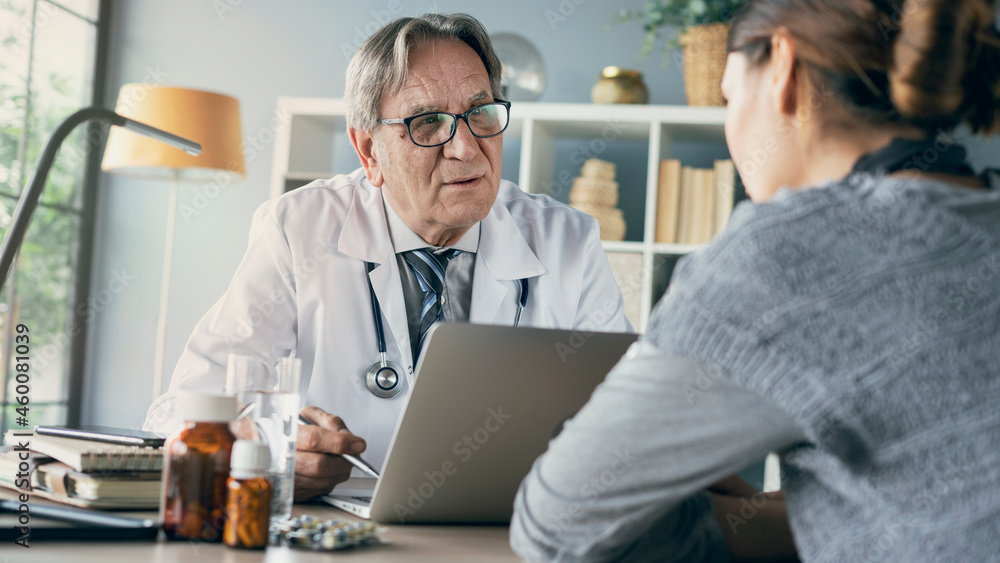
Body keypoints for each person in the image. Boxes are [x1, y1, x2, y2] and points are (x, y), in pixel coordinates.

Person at [511, 0, 1000, 561]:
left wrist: (693, 506)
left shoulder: (789, 248)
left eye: (727, 96)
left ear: (783, 68)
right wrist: (791, 508)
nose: (729, 127)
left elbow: (555, 525)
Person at [144, 13, 630, 501]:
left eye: (480, 111)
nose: (465, 148)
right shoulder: (298, 230)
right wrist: (269, 446)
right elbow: (179, 413)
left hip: (504, 526)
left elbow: (627, 418)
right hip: (338, 524)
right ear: (368, 151)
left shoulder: (569, 242)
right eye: (428, 122)